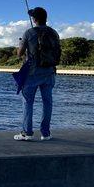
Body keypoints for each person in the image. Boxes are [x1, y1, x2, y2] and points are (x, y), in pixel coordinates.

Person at [14, 7, 61, 141]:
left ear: (34, 19)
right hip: (50, 72)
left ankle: (27, 133)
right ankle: (45, 133)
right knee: (47, 102)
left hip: (32, 73)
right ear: (45, 18)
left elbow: (20, 54)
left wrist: (20, 43)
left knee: (28, 102)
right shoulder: (54, 33)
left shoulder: (29, 33)